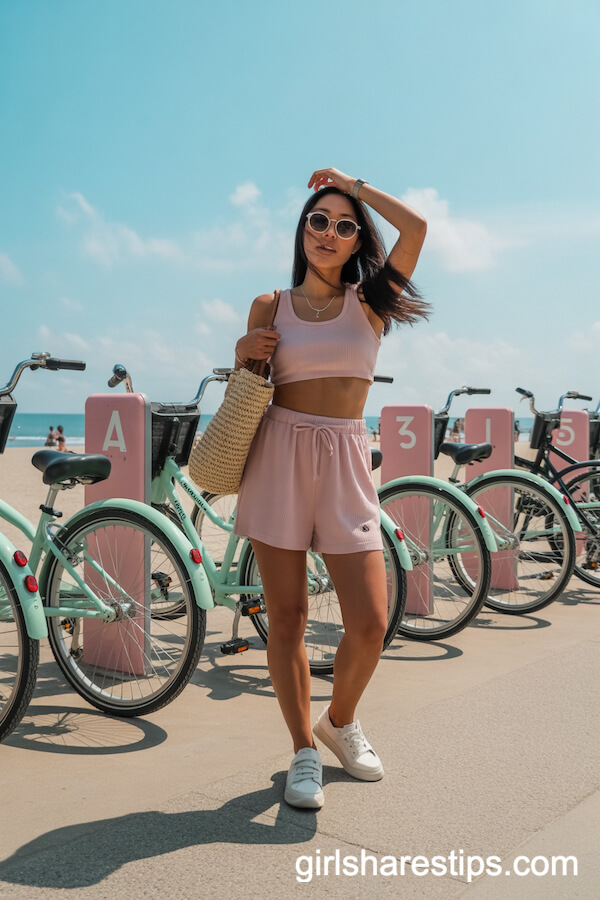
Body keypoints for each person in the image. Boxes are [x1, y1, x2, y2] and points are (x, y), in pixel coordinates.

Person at [232, 168, 428, 809]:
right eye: (319, 219)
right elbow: (249, 385)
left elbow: (417, 228)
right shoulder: (270, 305)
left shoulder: (370, 303)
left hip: (345, 458)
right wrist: (241, 350)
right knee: (284, 618)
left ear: (355, 241)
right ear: (302, 230)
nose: (330, 232)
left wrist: (353, 184)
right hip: (280, 455)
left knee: (370, 620)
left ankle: (339, 722)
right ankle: (302, 752)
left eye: (345, 226)